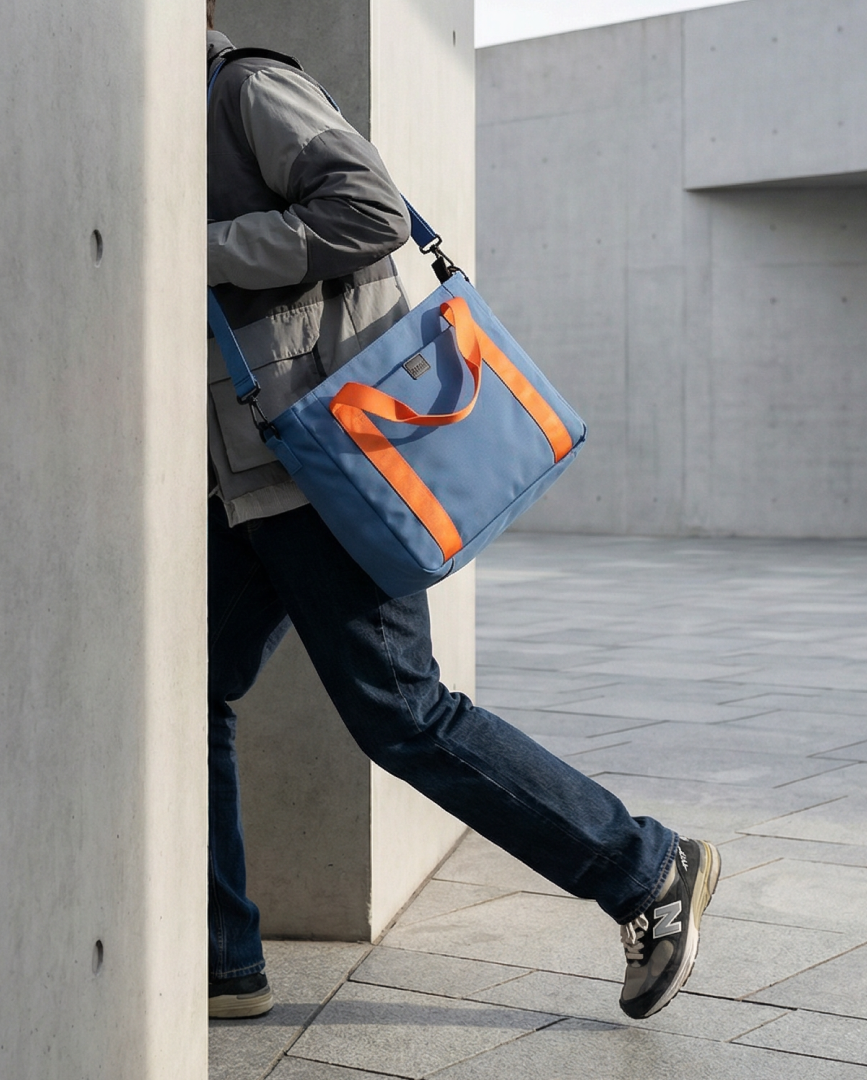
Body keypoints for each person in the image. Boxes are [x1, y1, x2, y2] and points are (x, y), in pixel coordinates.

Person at [206, 1, 719, 1023]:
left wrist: (201, 244)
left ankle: (644, 865)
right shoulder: (172, 123)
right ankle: (224, 958)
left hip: (326, 468)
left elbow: (370, 212)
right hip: (252, 481)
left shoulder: (243, 89)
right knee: (184, 696)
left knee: (403, 712)